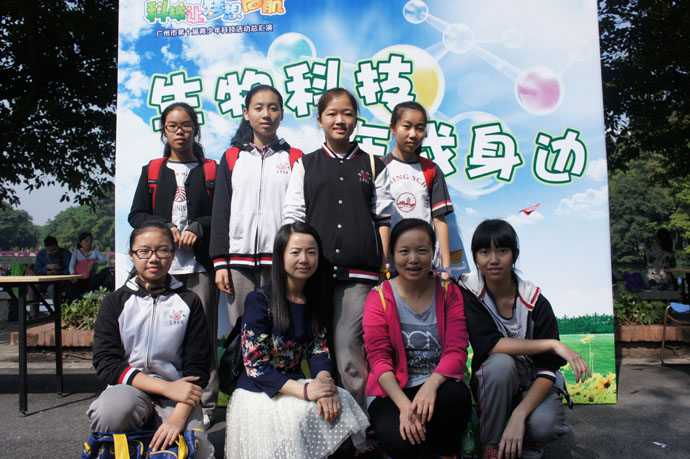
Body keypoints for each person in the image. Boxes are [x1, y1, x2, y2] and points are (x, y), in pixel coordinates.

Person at [283, 87, 394, 411]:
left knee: (347, 349)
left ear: (356, 119)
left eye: (347, 113)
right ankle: (325, 423)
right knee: (316, 351)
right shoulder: (306, 164)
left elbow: (383, 218)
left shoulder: (372, 164)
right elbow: (293, 218)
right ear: (320, 120)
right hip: (314, 274)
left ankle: (359, 427)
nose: (340, 120)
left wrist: (383, 265)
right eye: (332, 114)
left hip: (360, 275)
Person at [225, 222, 369, 458]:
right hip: (261, 393)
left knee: (340, 412)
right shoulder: (259, 301)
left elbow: (319, 351)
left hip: (301, 386)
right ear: (280, 256)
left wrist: (324, 385)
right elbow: (256, 367)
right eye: (295, 252)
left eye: (311, 252)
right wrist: (307, 390)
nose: (304, 259)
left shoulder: (316, 300)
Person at [459, 219, 591, 459]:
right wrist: (552, 343)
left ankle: (529, 438)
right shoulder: (469, 292)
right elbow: (490, 344)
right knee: (500, 363)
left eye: (502, 251)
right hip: (497, 384)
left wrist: (520, 415)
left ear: (515, 255)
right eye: (484, 252)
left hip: (533, 383)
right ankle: (492, 443)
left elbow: (547, 370)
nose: (493, 260)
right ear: (475, 257)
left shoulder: (536, 301)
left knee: (543, 425)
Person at [87, 221, 214, 458]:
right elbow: (106, 363)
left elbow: (198, 369)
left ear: (172, 255)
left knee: (196, 450)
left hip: (177, 396)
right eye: (144, 251)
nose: (154, 258)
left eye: (162, 250)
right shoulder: (115, 302)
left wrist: (177, 419)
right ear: (132, 255)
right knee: (111, 411)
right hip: (129, 390)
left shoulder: (189, 301)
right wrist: (167, 387)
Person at [128, 101, 219, 425]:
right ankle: (158, 397)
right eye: (172, 126)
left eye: (186, 125)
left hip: (199, 269)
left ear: (196, 128)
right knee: (159, 336)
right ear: (164, 131)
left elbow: (222, 214)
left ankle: (206, 404)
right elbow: (136, 214)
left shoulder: (211, 170)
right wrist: (164, 227)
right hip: (160, 270)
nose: (180, 132)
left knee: (203, 337)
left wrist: (198, 227)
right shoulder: (152, 171)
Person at [363, 218, 471, 459]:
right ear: (392, 256)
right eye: (404, 251)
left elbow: (457, 350)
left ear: (433, 253)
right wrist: (404, 406)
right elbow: (379, 359)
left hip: (437, 383)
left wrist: (432, 384)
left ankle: (446, 453)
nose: (413, 259)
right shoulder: (378, 297)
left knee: (457, 398)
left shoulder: (449, 292)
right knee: (403, 443)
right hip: (392, 389)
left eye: (422, 251)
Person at [210, 84, 302, 329]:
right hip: (237, 262)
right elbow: (220, 212)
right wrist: (220, 263)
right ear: (246, 113)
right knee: (241, 331)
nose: (266, 115)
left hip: (280, 262)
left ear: (282, 114)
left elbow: (301, 213)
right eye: (258, 108)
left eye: (273, 108)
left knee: (280, 329)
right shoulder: (232, 157)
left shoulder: (294, 157)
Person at [383, 101, 454, 273]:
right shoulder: (379, 167)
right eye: (407, 126)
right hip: (391, 265)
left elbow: (439, 220)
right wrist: (382, 265)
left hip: (424, 264)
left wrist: (446, 268)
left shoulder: (432, 169)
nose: (413, 134)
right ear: (393, 128)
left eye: (420, 128)